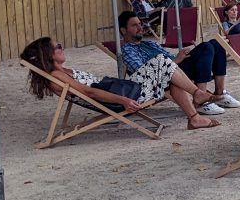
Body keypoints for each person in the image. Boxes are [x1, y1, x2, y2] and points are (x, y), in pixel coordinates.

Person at [22, 36, 221, 130]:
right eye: (58, 47)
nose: (61, 48)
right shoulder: (57, 77)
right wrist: (123, 100)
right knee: (162, 62)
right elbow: (90, 93)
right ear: (48, 54)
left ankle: (194, 117)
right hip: (123, 95)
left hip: (121, 88)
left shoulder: (61, 71)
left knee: (168, 72)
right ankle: (197, 94)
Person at [119, 11, 240, 116]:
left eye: (140, 24)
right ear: (124, 30)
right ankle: (200, 100)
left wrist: (182, 55)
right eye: (134, 25)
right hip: (164, 78)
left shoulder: (150, 43)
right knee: (206, 47)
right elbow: (144, 71)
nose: (140, 27)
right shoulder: (127, 50)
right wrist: (176, 60)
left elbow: (170, 57)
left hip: (177, 68)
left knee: (215, 44)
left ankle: (219, 93)